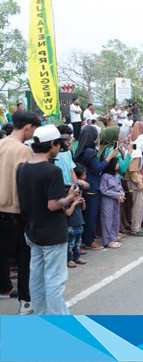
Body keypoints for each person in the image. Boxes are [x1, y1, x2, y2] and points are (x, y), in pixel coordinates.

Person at [18, 124, 82, 315]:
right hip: (52, 231)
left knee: (36, 277)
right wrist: (71, 197)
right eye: (58, 145)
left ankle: (41, 315)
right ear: (52, 144)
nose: (59, 149)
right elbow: (53, 204)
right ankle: (57, 321)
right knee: (54, 279)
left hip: (32, 229)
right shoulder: (51, 171)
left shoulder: (23, 168)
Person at [0, 110, 40, 314]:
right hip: (16, 211)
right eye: (34, 129)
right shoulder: (23, 150)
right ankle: (25, 300)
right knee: (25, 259)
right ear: (28, 127)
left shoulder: (1, 144)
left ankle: (4, 288)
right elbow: (25, 184)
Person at [74, 125, 114, 249]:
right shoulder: (90, 152)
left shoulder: (80, 150)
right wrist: (109, 157)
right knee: (91, 214)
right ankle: (89, 240)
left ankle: (84, 239)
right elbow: (98, 169)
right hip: (92, 186)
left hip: (83, 184)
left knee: (85, 214)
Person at [100, 158, 125, 249]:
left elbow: (120, 186)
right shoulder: (105, 176)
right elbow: (103, 190)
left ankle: (114, 238)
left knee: (115, 218)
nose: (117, 165)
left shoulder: (117, 175)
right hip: (107, 200)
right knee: (107, 219)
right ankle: (107, 240)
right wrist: (117, 194)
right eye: (116, 163)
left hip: (117, 199)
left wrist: (122, 193)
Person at [66, 166, 87, 268]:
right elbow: (68, 213)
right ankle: (69, 259)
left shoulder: (78, 199)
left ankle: (77, 257)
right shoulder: (67, 202)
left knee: (77, 243)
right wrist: (73, 203)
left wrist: (82, 202)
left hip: (79, 224)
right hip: (71, 226)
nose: (77, 195)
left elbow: (83, 209)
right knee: (70, 244)